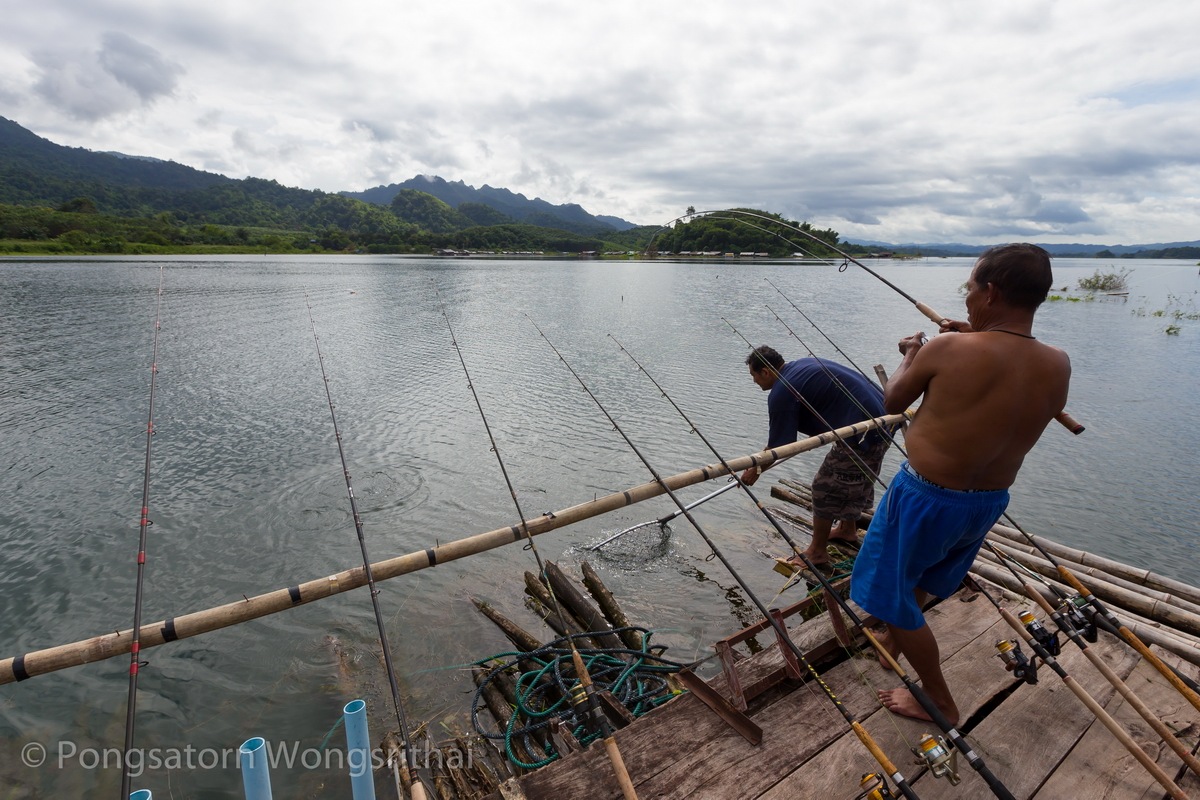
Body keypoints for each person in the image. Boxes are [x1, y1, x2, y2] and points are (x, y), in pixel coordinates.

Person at [849, 243, 1071, 726]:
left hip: (926, 496)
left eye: (970, 288)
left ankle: (940, 701)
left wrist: (912, 352)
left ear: (990, 292)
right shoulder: (1058, 362)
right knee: (925, 575)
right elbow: (1007, 362)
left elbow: (890, 402)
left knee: (888, 593)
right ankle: (895, 638)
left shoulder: (946, 348)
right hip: (986, 504)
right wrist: (973, 335)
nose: (967, 297)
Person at [740, 345, 890, 570]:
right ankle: (847, 530)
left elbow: (780, 446)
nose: (754, 382)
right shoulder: (801, 365)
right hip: (884, 419)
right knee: (853, 479)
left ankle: (817, 552)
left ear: (765, 372)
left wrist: (756, 469)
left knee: (823, 487)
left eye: (754, 375)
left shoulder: (782, 391)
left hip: (862, 431)